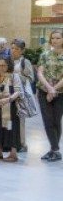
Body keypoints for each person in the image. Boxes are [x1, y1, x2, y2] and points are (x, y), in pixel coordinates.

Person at [37, 29, 63, 162]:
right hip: (43, 91)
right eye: (53, 38)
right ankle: (55, 149)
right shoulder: (45, 54)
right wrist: (48, 88)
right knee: (48, 121)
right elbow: (40, 72)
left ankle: (54, 149)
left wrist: (53, 89)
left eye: (58, 38)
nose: (55, 40)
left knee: (56, 120)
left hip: (60, 92)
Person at [11, 39, 35, 151]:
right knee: (8, 118)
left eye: (16, 49)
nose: (13, 51)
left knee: (20, 119)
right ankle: (9, 142)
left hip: (20, 94)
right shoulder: (7, 60)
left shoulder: (25, 62)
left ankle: (21, 143)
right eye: (12, 48)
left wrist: (16, 77)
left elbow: (30, 78)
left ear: (22, 51)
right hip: (8, 93)